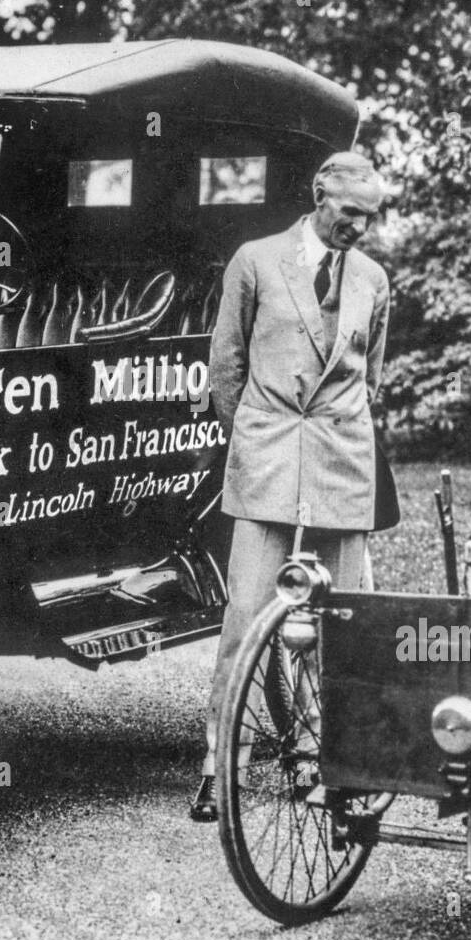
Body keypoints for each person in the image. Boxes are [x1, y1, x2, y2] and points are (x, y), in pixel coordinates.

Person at [190, 151, 397, 822]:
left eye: (370, 218)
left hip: (343, 462)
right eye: (349, 213)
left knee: (343, 623)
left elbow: (372, 377)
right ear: (319, 196)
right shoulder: (254, 261)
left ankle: (328, 761)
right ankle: (222, 765)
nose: (359, 229)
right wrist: (254, 438)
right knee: (247, 617)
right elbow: (226, 368)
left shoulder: (372, 279)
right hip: (269, 457)